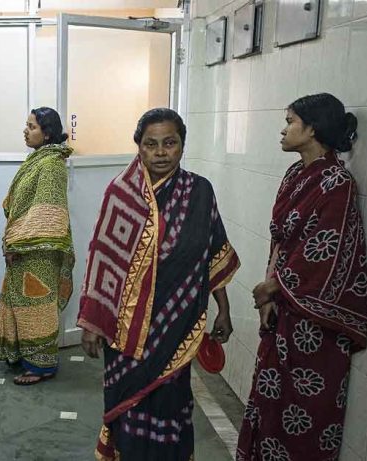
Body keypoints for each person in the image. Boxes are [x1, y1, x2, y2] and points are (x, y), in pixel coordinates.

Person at [78, 108, 240, 460]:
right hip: (126, 331)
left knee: (171, 400)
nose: (161, 152)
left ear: (182, 145)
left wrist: (224, 309)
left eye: (170, 143)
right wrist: (92, 322)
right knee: (127, 404)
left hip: (177, 325)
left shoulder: (200, 191)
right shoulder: (121, 193)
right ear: (139, 147)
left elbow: (213, 253)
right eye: (151, 144)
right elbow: (101, 257)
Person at [236, 93, 367, 461]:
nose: (283, 129)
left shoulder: (338, 184)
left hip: (313, 323)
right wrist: (268, 293)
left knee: (301, 410)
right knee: (268, 400)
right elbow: (281, 237)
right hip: (281, 306)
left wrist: (274, 287)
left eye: (291, 121)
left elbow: (325, 253)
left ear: (312, 129)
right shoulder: (296, 174)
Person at [0, 107, 75, 385]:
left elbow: (46, 211)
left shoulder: (50, 164)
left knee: (36, 308)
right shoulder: (39, 159)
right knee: (23, 304)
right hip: (25, 245)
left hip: (38, 249)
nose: (25, 131)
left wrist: (19, 242)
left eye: (32, 126)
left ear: (47, 132)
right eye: (26, 125)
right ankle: (25, 357)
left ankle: (42, 366)